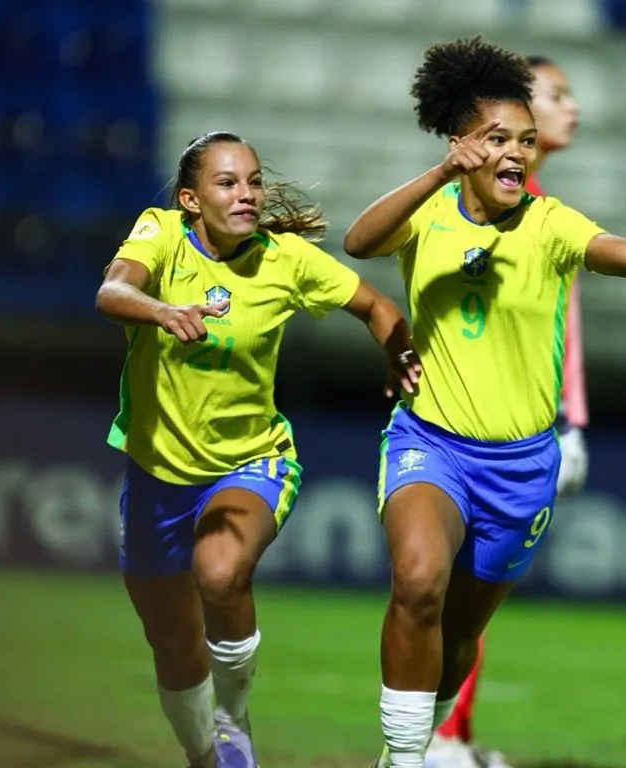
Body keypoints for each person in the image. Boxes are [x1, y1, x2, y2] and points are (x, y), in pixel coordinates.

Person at [342, 36, 626, 768]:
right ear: (460, 141)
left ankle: (424, 739)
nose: (515, 153)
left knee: (463, 635)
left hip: (521, 466)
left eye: (525, 141)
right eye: (496, 138)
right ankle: (401, 760)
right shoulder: (428, 212)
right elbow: (359, 239)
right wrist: (440, 171)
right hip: (429, 443)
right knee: (416, 584)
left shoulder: (550, 224)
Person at [95, 131, 420, 768]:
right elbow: (112, 292)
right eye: (227, 183)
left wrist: (398, 351)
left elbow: (376, 305)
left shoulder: (285, 259)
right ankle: (204, 755)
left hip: (253, 461)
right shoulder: (159, 233)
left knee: (219, 572)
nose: (246, 194)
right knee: (170, 641)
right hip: (156, 470)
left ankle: (233, 713)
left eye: (252, 181)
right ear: (190, 199)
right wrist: (160, 311)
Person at [426, 52, 583, 768]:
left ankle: (447, 734)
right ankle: (439, 738)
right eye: (555, 94)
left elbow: (557, 326)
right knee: (457, 591)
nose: (569, 107)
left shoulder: (539, 203)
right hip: (465, 428)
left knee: (471, 595)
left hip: (527, 425)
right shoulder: (489, 200)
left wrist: (569, 414)